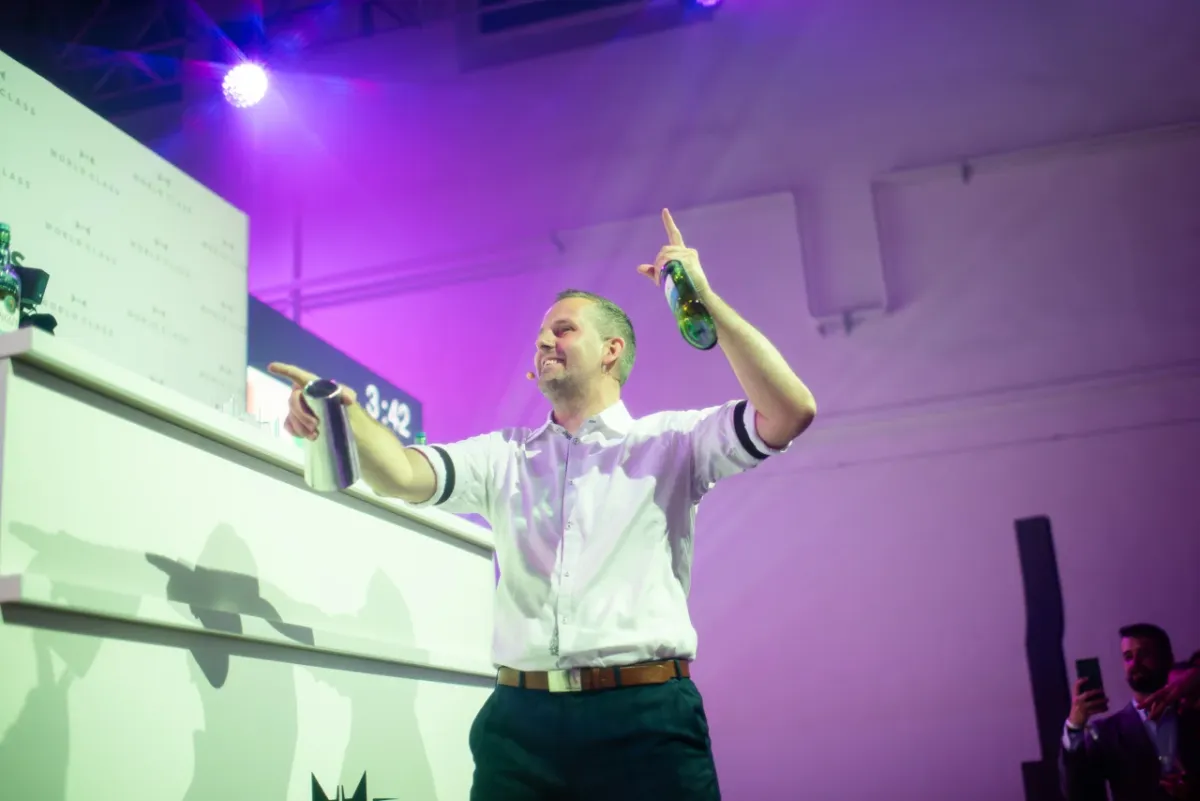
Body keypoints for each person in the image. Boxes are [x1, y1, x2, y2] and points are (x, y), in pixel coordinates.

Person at [269, 209, 817, 800]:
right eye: (540, 336)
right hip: (520, 727)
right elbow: (402, 474)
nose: (543, 341)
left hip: (646, 722)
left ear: (611, 351)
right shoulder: (504, 455)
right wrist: (343, 414)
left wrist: (702, 299)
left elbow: (790, 412)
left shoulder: (672, 442)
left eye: (564, 329)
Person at [1060, 623, 1200, 801]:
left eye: (1144, 654)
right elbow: (1079, 795)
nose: (1135, 663)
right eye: (1128, 657)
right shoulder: (1105, 733)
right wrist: (1074, 726)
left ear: (1168, 660)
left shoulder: (1193, 715)